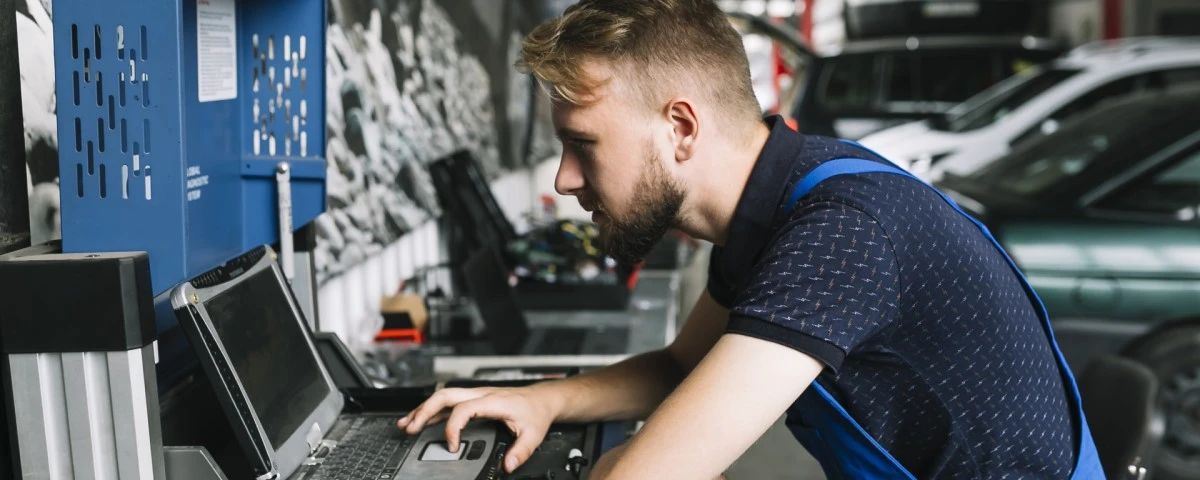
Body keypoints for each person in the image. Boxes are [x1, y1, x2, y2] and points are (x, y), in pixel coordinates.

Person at [397, 1, 1104, 478]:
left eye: (583, 144)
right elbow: (680, 368)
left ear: (680, 128)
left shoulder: (839, 233)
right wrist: (543, 399)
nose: (563, 179)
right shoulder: (783, 192)